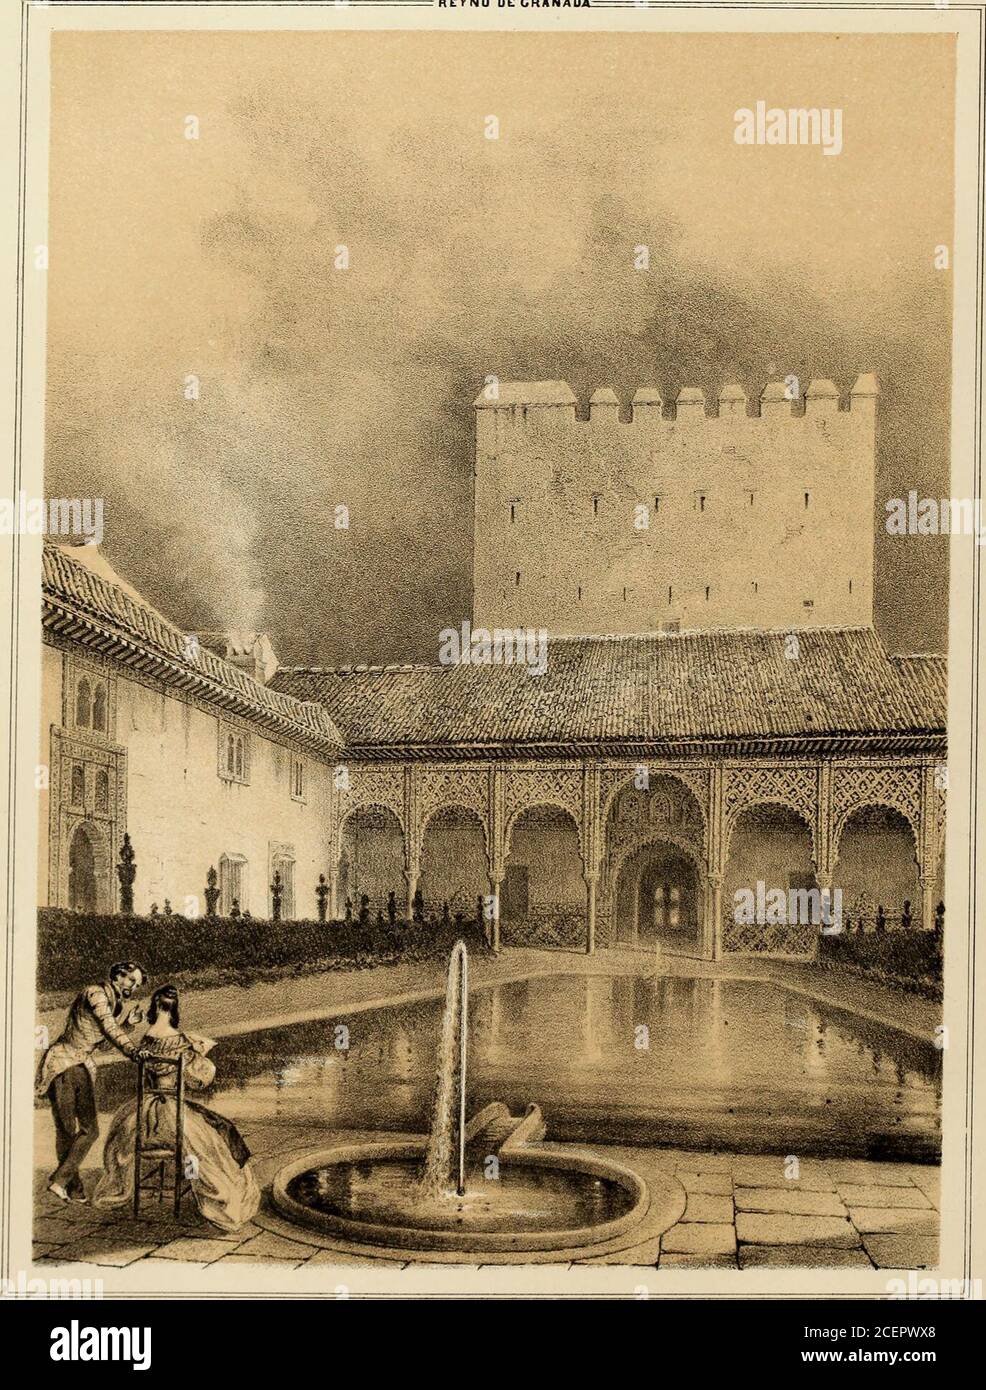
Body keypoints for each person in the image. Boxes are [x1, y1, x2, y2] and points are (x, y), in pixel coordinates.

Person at [94, 985, 259, 1232]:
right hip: (173, 1116)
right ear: (174, 1010)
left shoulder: (146, 1039)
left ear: (154, 1008)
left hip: (142, 1116)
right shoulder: (181, 1042)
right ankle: (207, 1195)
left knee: (198, 1142)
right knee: (210, 1144)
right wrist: (199, 1053)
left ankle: (149, 1190)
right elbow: (200, 1081)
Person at [36, 961, 148, 1204]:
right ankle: (71, 1188)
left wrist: (128, 1025)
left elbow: (103, 1041)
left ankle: (60, 1181)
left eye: (137, 985)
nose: (133, 987)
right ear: (118, 975)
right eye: (131, 980)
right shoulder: (95, 994)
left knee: (89, 1130)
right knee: (67, 1130)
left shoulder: (111, 1003)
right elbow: (109, 1028)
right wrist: (133, 1051)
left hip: (81, 1066)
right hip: (63, 1064)